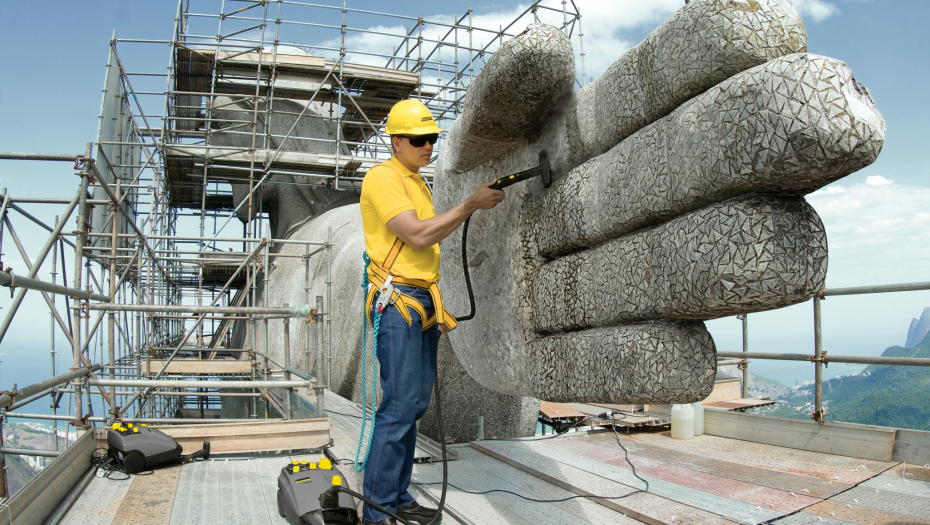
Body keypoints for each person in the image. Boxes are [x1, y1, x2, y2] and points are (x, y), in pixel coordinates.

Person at [358, 99, 504, 525]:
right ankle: (378, 510)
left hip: (422, 301)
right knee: (399, 404)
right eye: (419, 140)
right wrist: (470, 205)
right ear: (396, 141)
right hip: (399, 301)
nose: (427, 146)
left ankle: (397, 497)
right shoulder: (383, 178)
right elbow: (418, 236)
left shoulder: (417, 182)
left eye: (432, 139)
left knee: (416, 403)